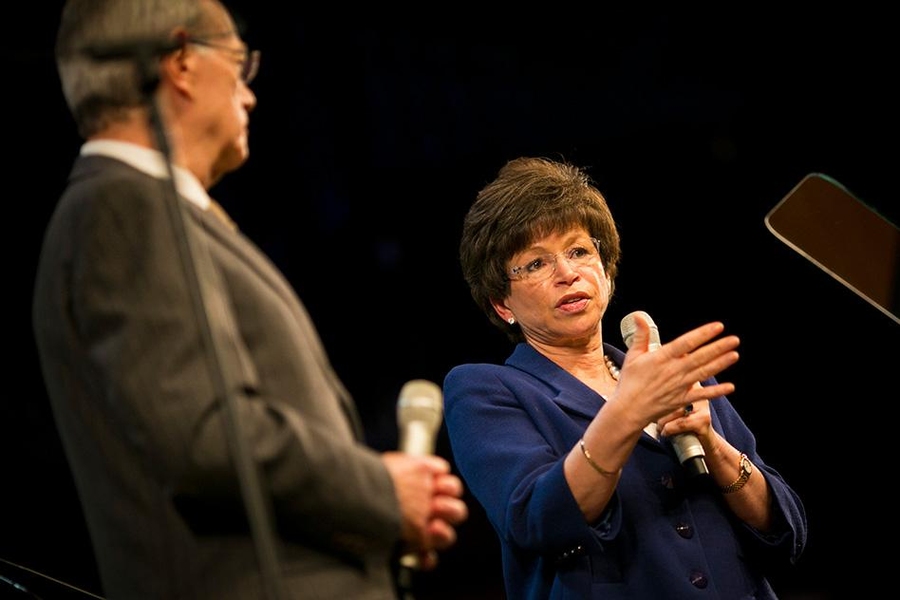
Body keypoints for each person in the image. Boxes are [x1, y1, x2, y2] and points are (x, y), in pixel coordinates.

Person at [32, 1, 467, 599]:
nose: (250, 96)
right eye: (239, 66)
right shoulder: (123, 207)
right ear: (181, 62)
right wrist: (379, 492)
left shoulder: (145, 210)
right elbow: (208, 437)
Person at [442, 156, 807, 599]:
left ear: (607, 271)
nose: (567, 273)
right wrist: (628, 411)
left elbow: (785, 531)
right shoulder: (485, 391)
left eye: (579, 251)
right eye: (536, 264)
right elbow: (539, 519)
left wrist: (712, 443)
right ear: (503, 304)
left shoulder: (671, 371)